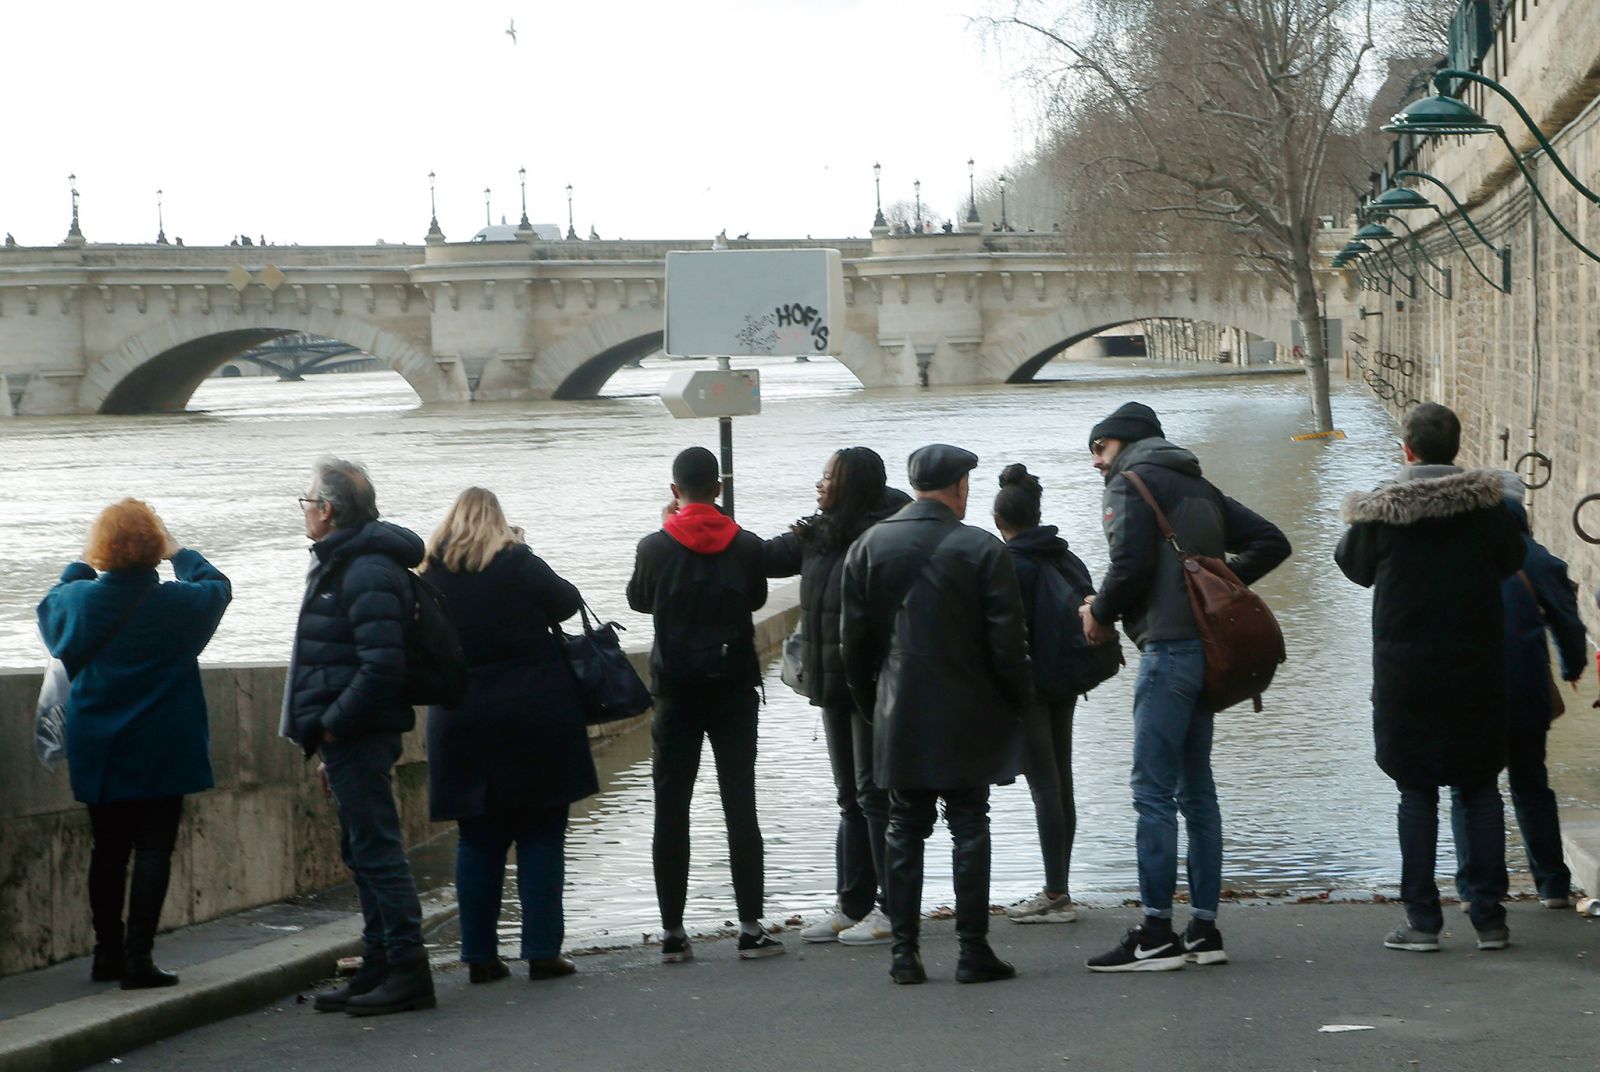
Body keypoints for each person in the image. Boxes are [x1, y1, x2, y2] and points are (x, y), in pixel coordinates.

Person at [1080, 402, 1290, 972]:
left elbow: (1127, 566)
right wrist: (1214, 587)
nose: (1096, 463)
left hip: (1168, 652)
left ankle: (1153, 934)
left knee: (1151, 791)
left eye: (1097, 449)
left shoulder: (1130, 483)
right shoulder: (1201, 485)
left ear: (1120, 442)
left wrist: (1099, 611)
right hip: (1208, 655)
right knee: (1197, 793)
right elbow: (1273, 541)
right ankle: (1203, 929)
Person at [840, 444, 1033, 985]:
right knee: (969, 823)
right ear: (960, 486)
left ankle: (905, 953)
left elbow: (851, 647)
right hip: (968, 706)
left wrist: (873, 708)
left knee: (904, 826)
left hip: (898, 706)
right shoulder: (982, 549)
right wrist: (1018, 704)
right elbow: (1008, 645)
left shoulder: (869, 546)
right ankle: (973, 951)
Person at [1336, 403, 1524, 953]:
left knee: (1415, 793)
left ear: (1407, 451)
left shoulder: (1382, 513)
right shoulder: (1487, 510)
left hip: (1406, 676)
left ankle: (1422, 921)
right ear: (1456, 450)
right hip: (1477, 668)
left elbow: (1351, 566)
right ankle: (1489, 919)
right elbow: (1512, 558)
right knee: (1480, 788)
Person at [37, 499, 231, 989]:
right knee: (153, 849)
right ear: (154, 549)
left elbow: (50, 608)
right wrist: (178, 550)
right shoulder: (179, 606)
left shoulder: (80, 601)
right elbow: (218, 587)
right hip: (164, 744)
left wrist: (83, 558)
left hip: (98, 745)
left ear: (103, 549)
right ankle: (138, 958)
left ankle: (106, 953)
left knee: (108, 850)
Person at [421, 488, 597, 983]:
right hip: (534, 715)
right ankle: (542, 952)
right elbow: (566, 603)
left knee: (477, 839)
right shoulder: (517, 562)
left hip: (461, 719)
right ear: (499, 523)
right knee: (541, 832)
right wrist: (524, 549)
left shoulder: (429, 572)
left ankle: (479, 957)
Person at [282, 458, 435, 1016]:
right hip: (351, 735)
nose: (303, 511)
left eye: (305, 501)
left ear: (327, 510)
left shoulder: (364, 569)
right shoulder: (346, 561)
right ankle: (377, 965)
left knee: (378, 851)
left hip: (359, 731)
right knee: (363, 850)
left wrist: (332, 724)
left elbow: (380, 668)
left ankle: (408, 970)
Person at [626, 446, 782, 963]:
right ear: (717, 489)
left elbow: (639, 602)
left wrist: (664, 529)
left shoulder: (654, 546)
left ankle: (673, 933)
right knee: (740, 803)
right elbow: (757, 600)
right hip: (734, 688)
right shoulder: (746, 545)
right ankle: (751, 927)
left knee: (672, 808)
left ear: (676, 491)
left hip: (675, 692)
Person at [763, 448, 909, 947]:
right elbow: (760, 556)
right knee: (850, 796)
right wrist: (696, 521)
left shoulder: (886, 536)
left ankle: (892, 908)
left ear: (852, 484)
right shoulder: (818, 534)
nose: (819, 485)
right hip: (831, 683)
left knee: (874, 796)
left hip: (872, 683)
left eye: (827, 478)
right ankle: (853, 905)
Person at [1450, 480, 1587, 912]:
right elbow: (1567, 620)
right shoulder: (1539, 559)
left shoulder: (1458, 555)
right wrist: (1572, 667)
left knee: (1470, 791)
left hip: (1470, 693)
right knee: (1531, 786)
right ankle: (1552, 886)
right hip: (1527, 689)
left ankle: (1476, 889)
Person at [993, 464, 1094, 925]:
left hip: (1031, 686)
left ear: (999, 522)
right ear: (1036, 513)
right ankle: (1062, 887)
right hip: (1067, 681)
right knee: (1062, 779)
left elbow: (1002, 630)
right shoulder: (1065, 556)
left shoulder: (1009, 562)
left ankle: (1055, 894)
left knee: (1044, 786)